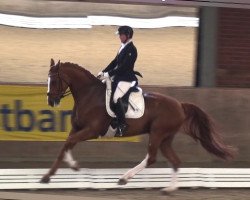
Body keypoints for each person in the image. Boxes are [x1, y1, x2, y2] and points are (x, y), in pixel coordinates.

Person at [98, 25, 140, 136]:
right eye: (119, 35)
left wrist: (109, 74)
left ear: (127, 35)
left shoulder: (131, 49)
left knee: (116, 98)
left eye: (121, 35)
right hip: (118, 78)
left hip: (127, 79)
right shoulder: (123, 46)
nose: (119, 37)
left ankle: (122, 124)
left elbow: (123, 67)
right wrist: (103, 72)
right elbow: (114, 62)